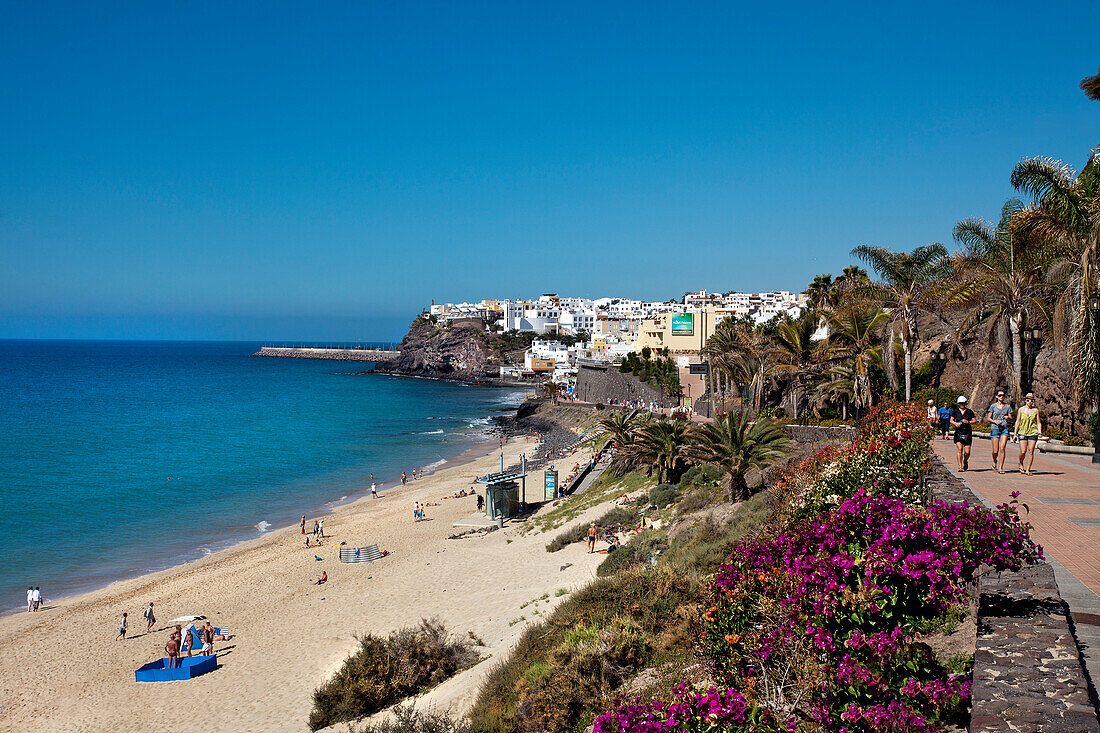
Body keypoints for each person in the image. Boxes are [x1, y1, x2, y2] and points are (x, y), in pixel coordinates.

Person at [1013, 393, 1044, 475]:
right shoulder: (1021, 410)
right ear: (1025, 400)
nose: (1029, 402)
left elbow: (1038, 422)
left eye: (1031, 400)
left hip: (1032, 432)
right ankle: (1021, 463)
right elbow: (1018, 421)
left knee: (1031, 451)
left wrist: (1040, 432)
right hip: (1022, 431)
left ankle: (1028, 469)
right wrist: (1015, 433)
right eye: (1028, 400)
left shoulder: (1035, 410)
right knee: (1023, 451)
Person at [986, 389, 1013, 474]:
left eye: (1003, 395)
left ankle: (1001, 467)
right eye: (1000, 395)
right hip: (995, 428)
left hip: (1004, 428)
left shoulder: (1008, 407)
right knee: (995, 450)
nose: (1002, 397)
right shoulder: (993, 406)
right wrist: (995, 421)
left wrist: (1007, 417)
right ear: (997, 396)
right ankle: (994, 462)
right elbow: (989, 418)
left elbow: (1011, 418)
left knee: (1002, 448)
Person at [951, 396, 976, 471]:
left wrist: (968, 422)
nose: (962, 405)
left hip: (967, 432)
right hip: (958, 432)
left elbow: (975, 421)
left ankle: (965, 461)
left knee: (967, 452)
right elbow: (951, 420)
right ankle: (960, 466)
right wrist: (955, 423)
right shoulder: (955, 411)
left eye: (963, 403)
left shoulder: (969, 412)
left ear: (965, 403)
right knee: (960, 449)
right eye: (961, 403)